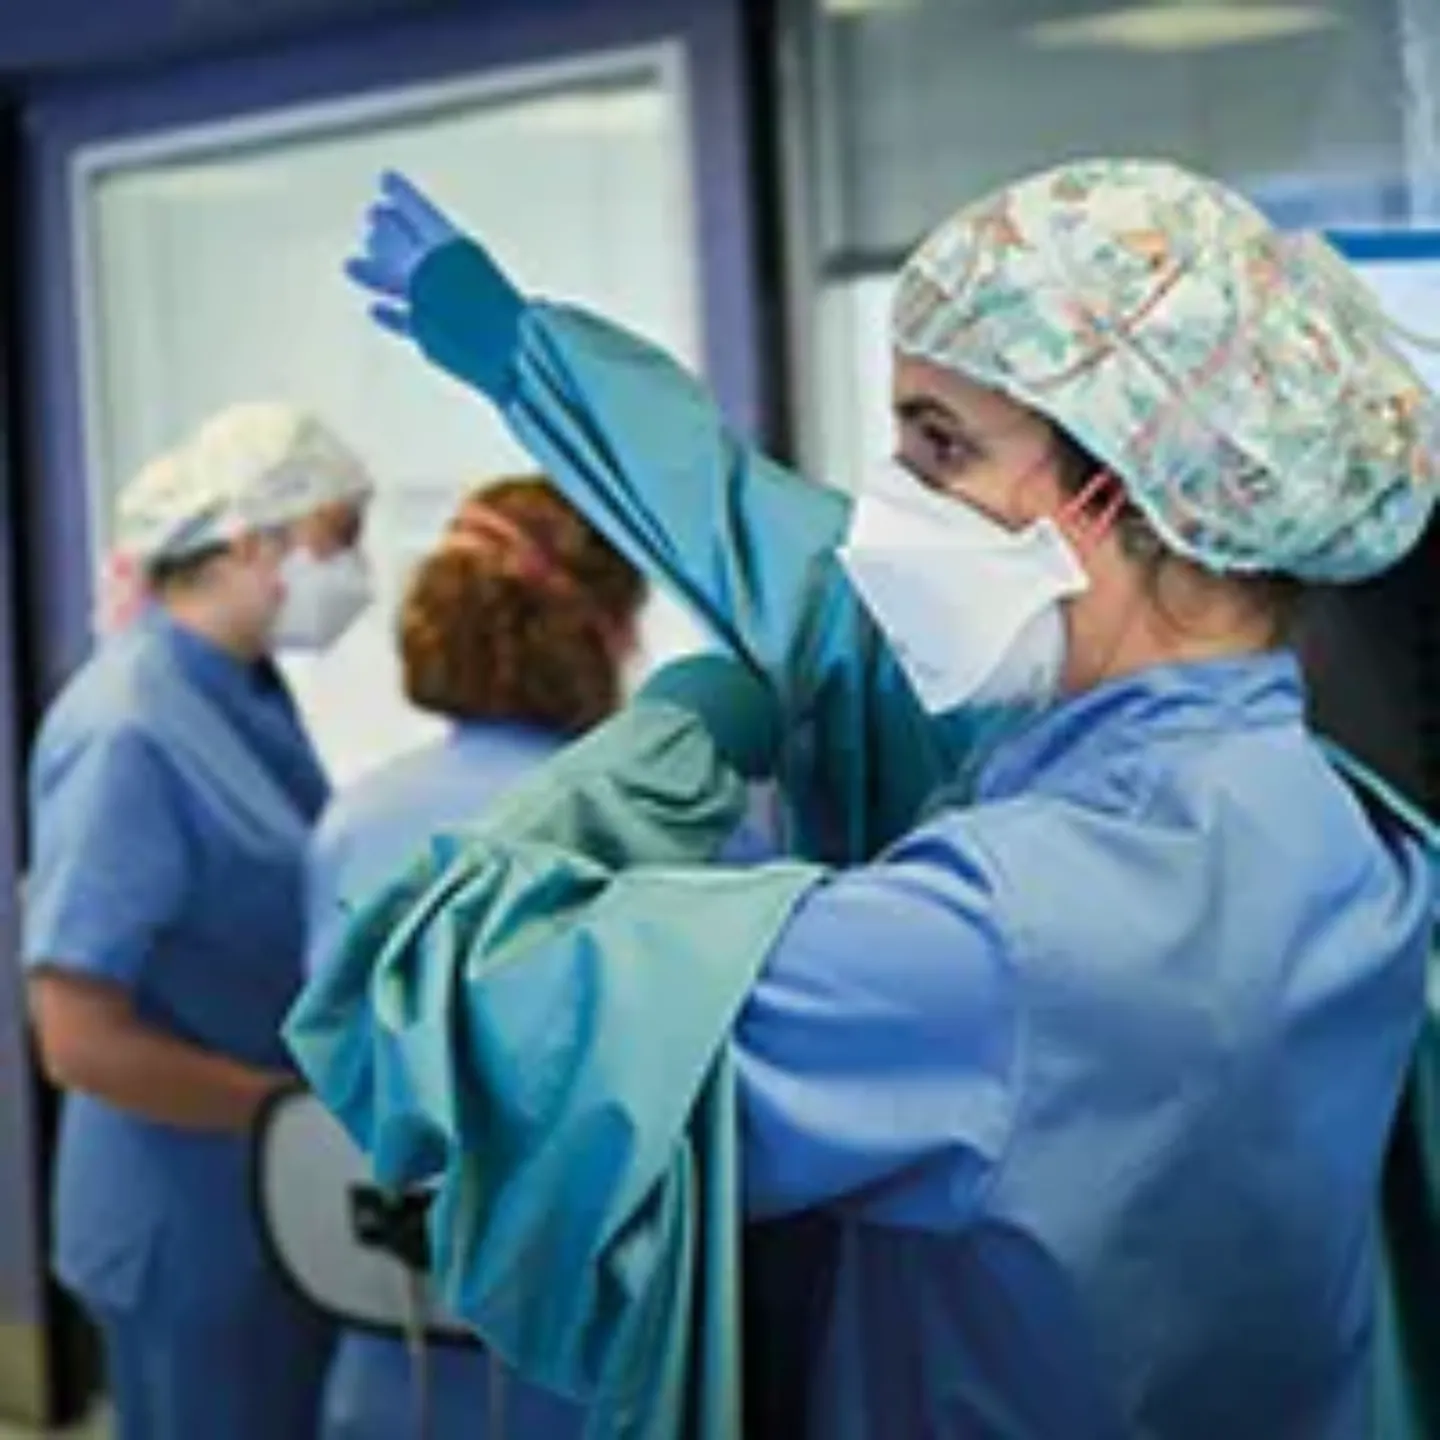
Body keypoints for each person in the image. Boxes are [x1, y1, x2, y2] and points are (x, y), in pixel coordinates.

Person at [302, 161, 1440, 1436]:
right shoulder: (1344, 831)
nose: (890, 505)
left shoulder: (997, 932)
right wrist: (527, 355)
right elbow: (797, 570)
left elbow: (452, 1007)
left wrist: (662, 746)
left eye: (938, 443)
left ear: (1110, 494)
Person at [24, 401, 375, 1440]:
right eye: (339, 539)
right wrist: (286, 1118)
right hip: (184, 1214)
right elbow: (76, 1037)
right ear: (255, 541)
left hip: (258, 1202)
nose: (358, 569)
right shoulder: (130, 728)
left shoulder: (243, 691)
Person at [306, 476, 647, 1440]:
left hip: (393, 1333)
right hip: (581, 1347)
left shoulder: (356, 820)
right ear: (605, 630)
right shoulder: (655, 822)